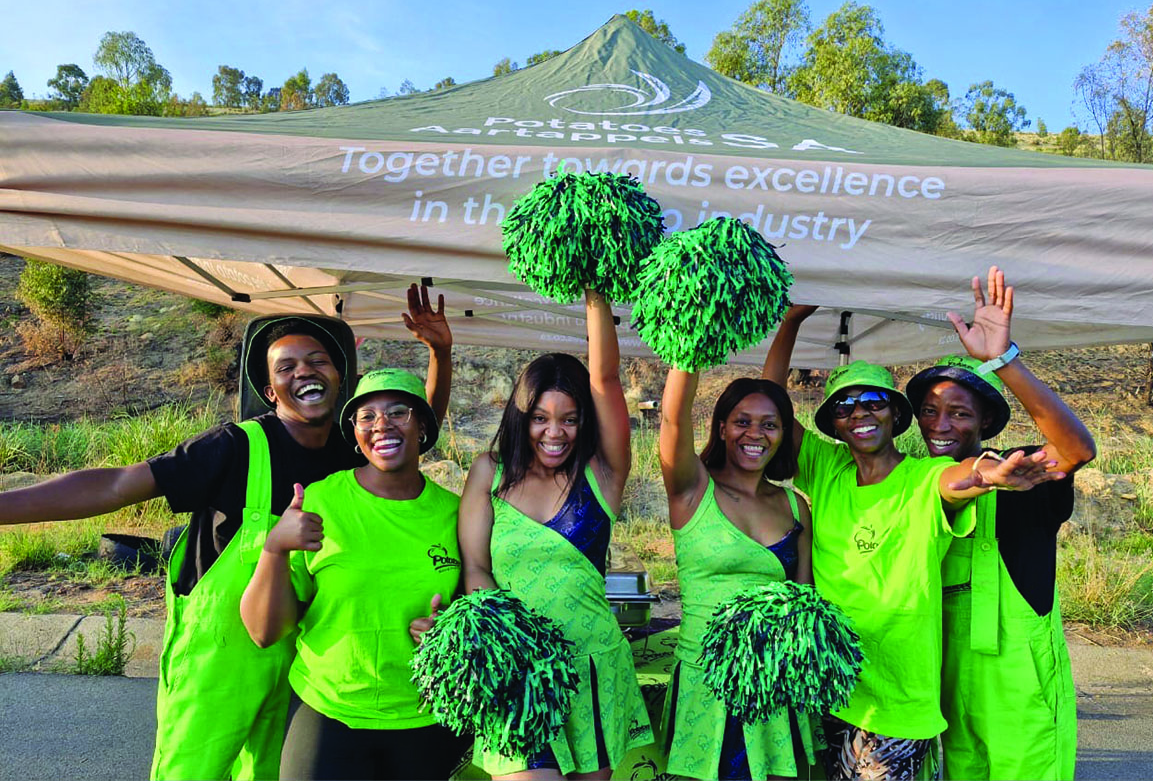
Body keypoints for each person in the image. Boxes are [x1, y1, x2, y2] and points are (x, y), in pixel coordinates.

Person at [0, 284, 450, 781]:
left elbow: (408, 432)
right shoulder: (232, 447)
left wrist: (439, 355)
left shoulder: (351, 449)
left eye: (318, 360)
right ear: (270, 389)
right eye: (286, 367)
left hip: (298, 651)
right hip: (219, 651)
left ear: (341, 376)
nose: (304, 371)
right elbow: (117, 483)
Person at [764, 306, 1064, 781]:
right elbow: (771, 403)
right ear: (833, 424)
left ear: (897, 414)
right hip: (832, 684)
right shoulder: (826, 470)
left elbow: (962, 477)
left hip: (899, 699)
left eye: (874, 402)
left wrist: (992, 473)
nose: (859, 414)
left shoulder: (923, 479)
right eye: (844, 407)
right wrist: (791, 324)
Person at [905, 267, 1094, 781]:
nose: (941, 425)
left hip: (1020, 680)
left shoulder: (1019, 471)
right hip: (947, 675)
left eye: (959, 413)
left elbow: (1077, 450)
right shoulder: (922, 483)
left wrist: (1003, 362)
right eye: (929, 411)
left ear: (986, 422)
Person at [457, 289, 653, 780]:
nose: (554, 432)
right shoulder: (490, 473)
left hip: (593, 665)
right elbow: (477, 569)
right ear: (520, 417)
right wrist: (507, 641)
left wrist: (594, 292)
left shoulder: (602, 475)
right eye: (540, 418)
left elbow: (606, 380)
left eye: (569, 419)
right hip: (519, 672)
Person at [240, 367, 467, 781]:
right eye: (367, 416)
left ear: (423, 428)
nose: (382, 425)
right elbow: (263, 631)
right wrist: (274, 547)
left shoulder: (456, 515)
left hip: (425, 716)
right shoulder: (321, 499)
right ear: (356, 434)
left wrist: (451, 628)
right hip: (328, 709)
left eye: (399, 412)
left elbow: (477, 608)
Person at [658, 364, 816, 781]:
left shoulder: (795, 505)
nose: (755, 434)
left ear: (783, 434)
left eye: (770, 425)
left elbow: (806, 600)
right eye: (742, 422)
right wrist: (686, 349)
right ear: (722, 427)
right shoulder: (693, 487)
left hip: (774, 687)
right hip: (705, 684)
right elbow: (673, 418)